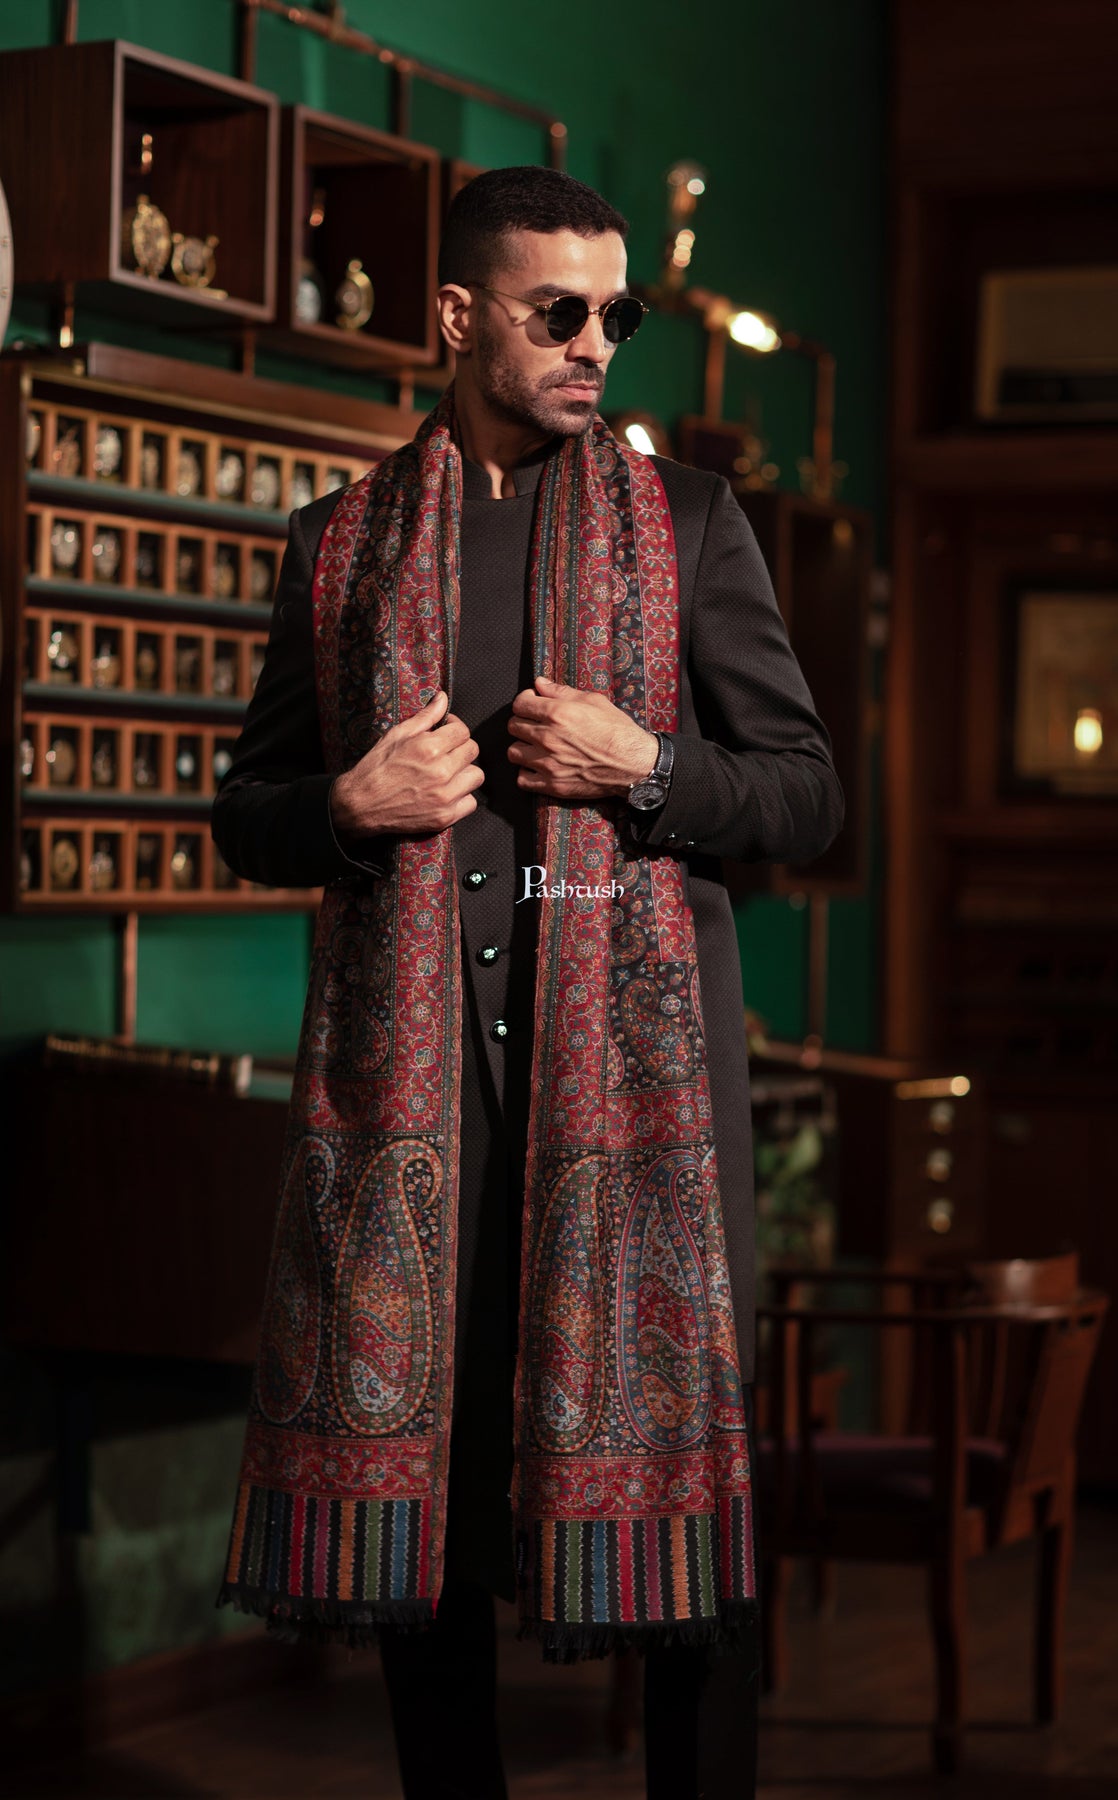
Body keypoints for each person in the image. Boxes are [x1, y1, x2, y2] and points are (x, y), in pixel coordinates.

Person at [212, 164, 844, 1800]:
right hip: (421, 1125)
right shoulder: (340, 545)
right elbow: (248, 809)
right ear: (456, 316)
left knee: (689, 1542)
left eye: (615, 315)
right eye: (559, 312)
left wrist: (651, 769)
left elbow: (808, 795)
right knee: (427, 1544)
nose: (596, 346)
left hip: (649, 1125)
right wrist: (346, 806)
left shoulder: (689, 523)